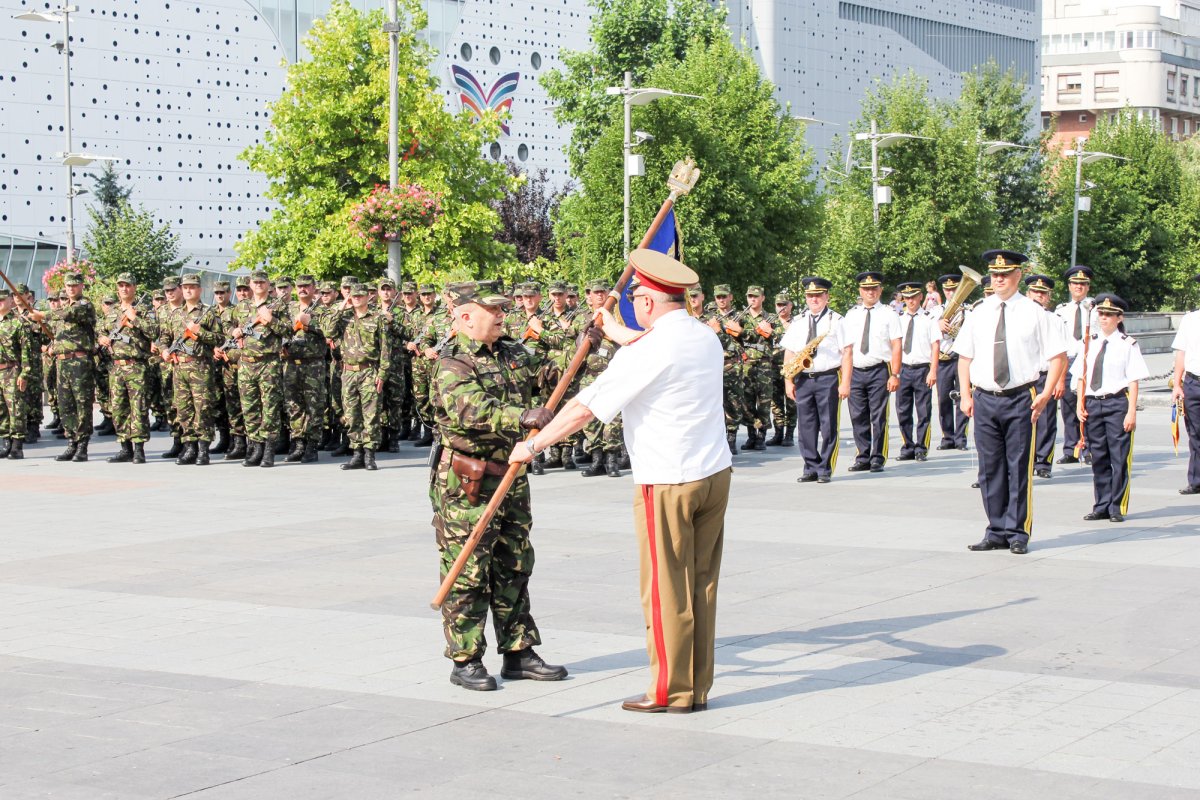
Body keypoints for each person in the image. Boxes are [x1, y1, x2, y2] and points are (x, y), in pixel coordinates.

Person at [511, 249, 732, 715]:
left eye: (635, 300)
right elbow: (653, 346)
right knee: (701, 586)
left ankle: (669, 691)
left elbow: (584, 408)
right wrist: (614, 332)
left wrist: (532, 446)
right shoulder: (702, 335)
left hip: (667, 481)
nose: (632, 306)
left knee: (665, 590)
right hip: (713, 474)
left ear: (647, 301)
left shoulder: (649, 350)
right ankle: (696, 687)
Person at [430, 279, 566, 692]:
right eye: (493, 310)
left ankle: (518, 651)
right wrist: (521, 416)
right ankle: (466, 658)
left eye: (503, 308)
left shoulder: (512, 353)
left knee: (514, 563)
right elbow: (471, 409)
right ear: (466, 316)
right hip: (467, 481)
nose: (503, 315)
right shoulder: (452, 362)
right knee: (469, 569)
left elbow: (552, 375)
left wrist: (587, 347)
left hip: (512, 473)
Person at [954, 250, 1066, 555]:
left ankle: (1018, 532)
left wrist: (1046, 393)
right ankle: (996, 530)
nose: (999, 279)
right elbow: (964, 357)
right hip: (985, 397)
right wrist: (965, 394)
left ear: (1018, 275)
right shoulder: (979, 312)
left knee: (1018, 467)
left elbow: (1058, 356)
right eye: (995, 275)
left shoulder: (1034, 312)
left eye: (1005, 274)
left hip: (1020, 397)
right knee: (989, 469)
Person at [1073, 294, 1147, 522]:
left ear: (1119, 318)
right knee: (1099, 457)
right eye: (1101, 313)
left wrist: (1131, 411)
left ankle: (1117, 506)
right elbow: (1081, 376)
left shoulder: (1127, 344)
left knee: (1119, 457)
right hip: (1093, 403)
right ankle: (1101, 505)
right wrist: (1079, 404)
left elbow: (1133, 380)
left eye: (1109, 314)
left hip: (1116, 403)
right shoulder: (1089, 341)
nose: (1103, 318)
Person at [780, 277, 846, 483]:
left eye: (818, 295)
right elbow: (789, 352)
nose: (814, 299)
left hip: (828, 377)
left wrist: (846, 382)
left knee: (828, 425)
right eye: (810, 296)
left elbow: (847, 354)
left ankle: (825, 468)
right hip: (803, 379)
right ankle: (810, 466)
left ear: (826, 296)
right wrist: (788, 381)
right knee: (806, 426)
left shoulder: (837, 321)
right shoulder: (798, 322)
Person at [27, 273, 96, 462]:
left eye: (75, 285)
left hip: (79, 361)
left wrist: (42, 314)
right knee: (66, 405)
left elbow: (69, 314)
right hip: (62, 362)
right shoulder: (61, 310)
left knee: (82, 404)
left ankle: (82, 445)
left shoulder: (84, 305)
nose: (71, 288)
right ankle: (71, 441)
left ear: (81, 286)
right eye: (68, 286)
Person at [157, 274, 223, 465]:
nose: (188, 290)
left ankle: (203, 449)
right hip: (179, 367)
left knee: (203, 409)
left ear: (200, 290)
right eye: (185, 287)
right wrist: (164, 350)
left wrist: (199, 332)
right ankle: (189, 447)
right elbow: (165, 337)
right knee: (183, 409)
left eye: (192, 287)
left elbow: (220, 339)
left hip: (200, 366)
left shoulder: (208, 312)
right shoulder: (176, 313)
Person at [229, 270, 291, 468]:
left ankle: (269, 449)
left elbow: (289, 331)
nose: (258, 285)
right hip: (246, 363)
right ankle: (255, 447)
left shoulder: (278, 305)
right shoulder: (242, 306)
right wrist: (234, 331)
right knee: (249, 407)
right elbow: (229, 327)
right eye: (255, 282)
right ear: (250, 284)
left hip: (268, 363)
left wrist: (271, 320)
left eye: (262, 282)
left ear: (268, 284)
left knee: (270, 407)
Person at [841, 271, 901, 473]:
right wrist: (845, 377)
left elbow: (896, 344)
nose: (870, 292)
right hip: (856, 369)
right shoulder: (852, 314)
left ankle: (878, 457)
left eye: (874, 288)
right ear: (860, 291)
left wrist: (895, 374)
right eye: (866, 289)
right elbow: (846, 347)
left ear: (880, 290)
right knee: (857, 416)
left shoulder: (889, 313)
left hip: (879, 370)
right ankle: (863, 456)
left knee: (878, 416)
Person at [98, 273, 158, 464]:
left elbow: (154, 332)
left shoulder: (143, 310)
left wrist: (135, 319)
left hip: (136, 366)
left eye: (128, 285)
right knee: (118, 408)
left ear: (134, 288)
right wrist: (102, 338)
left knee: (138, 408)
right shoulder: (112, 311)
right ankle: (125, 448)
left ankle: (139, 449)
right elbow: (101, 329)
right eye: (121, 285)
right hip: (116, 366)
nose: (124, 288)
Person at [330, 284, 390, 471]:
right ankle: (356, 453)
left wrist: (383, 374)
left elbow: (385, 348)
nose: (356, 298)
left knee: (370, 414)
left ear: (367, 297)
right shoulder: (344, 317)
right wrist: (341, 307)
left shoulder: (377, 318)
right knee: (351, 414)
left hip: (369, 371)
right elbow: (329, 331)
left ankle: (370, 454)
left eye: (360, 296)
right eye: (353, 296)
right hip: (348, 372)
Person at [283, 275, 329, 463]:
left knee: (314, 406)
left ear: (313, 287)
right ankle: (298, 443)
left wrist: (310, 323)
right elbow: (282, 330)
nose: (303, 289)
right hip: (292, 363)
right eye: (299, 286)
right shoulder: (289, 308)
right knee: (294, 405)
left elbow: (329, 331)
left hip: (313, 364)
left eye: (306, 286)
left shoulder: (322, 309)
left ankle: (312, 445)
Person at [1024, 274, 1066, 479]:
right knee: (1023, 422)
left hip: (1045, 375)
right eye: (1035, 292)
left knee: (1046, 421)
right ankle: (1026, 461)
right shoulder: (1019, 317)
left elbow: (1062, 355)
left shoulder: (1054, 320)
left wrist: (1059, 380)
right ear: (1028, 294)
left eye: (1043, 293)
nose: (1038, 296)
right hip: (1024, 377)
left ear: (1048, 297)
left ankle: (1043, 462)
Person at [894, 281, 940, 462]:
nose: (911, 301)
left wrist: (933, 370)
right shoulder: (898, 319)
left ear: (921, 297)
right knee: (902, 411)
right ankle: (907, 446)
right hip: (903, 368)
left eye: (913, 297)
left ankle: (921, 447)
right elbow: (893, 346)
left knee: (923, 411)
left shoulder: (929, 318)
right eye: (907, 298)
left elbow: (935, 346)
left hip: (922, 369)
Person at [1055, 266, 1097, 464]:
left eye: (1083, 284)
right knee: (1068, 407)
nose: (1078, 287)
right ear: (1069, 286)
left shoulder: (1096, 309)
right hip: (1068, 360)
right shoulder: (1061, 310)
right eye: (1075, 284)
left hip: (1088, 362)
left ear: (1088, 287)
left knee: (1087, 406)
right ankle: (1071, 449)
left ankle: (1088, 449)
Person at [704, 284, 747, 454]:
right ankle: (717, 438)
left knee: (733, 402)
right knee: (714, 403)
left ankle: (731, 438)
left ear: (730, 297)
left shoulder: (740, 317)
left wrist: (732, 331)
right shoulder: (709, 317)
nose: (721, 300)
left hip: (732, 365)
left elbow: (745, 343)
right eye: (718, 297)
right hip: (713, 365)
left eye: (724, 296)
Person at [934, 273, 970, 451]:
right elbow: (928, 334)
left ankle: (961, 438)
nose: (951, 293)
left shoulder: (968, 310)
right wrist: (938, 326)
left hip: (962, 358)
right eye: (947, 290)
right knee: (943, 399)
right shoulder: (935, 311)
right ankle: (947, 437)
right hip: (944, 358)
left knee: (963, 396)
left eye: (954, 289)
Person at [1173, 275, 1200, 495]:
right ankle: (1197, 480)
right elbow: (1181, 352)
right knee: (1195, 434)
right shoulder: (1190, 319)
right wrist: (1177, 384)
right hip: (1194, 383)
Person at [739, 285, 775, 451]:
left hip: (764, 365)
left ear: (763, 298)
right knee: (747, 403)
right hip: (746, 365)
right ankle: (751, 435)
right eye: (750, 296)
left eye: (756, 296)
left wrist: (770, 332)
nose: (752, 299)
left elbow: (782, 336)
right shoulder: (741, 317)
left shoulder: (770, 317)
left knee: (764, 403)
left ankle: (761, 436)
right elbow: (732, 338)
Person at [0, 288, 34, 460]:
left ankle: (17, 445)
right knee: (1, 409)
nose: (0, 303)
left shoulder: (18, 322)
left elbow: (26, 351)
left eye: (3, 300)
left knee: (15, 408)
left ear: (10, 302)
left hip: (12, 370)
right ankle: (5, 442)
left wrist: (24, 373)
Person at [768, 291, 797, 447]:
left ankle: (789, 434)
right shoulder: (770, 322)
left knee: (791, 402)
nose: (781, 308)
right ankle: (778, 433)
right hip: (773, 367)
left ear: (790, 305)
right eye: (779, 305)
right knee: (776, 402)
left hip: (791, 368)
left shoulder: (797, 323)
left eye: (784, 305)